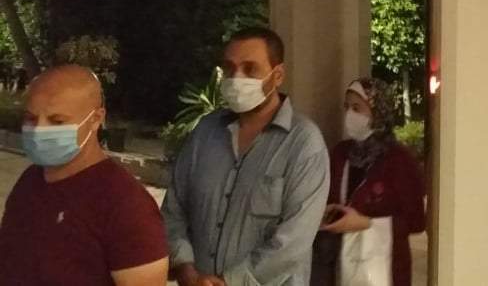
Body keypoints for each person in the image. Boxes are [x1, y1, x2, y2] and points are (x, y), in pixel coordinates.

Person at [163, 27, 330, 286]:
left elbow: (294, 240)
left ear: (278, 75)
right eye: (230, 69)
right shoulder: (205, 132)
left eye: (250, 69)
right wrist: (184, 267)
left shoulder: (304, 143)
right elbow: (174, 209)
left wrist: (230, 282)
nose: (236, 78)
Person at [0, 65, 168, 285]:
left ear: (96, 118)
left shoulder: (127, 206)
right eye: (31, 118)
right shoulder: (31, 179)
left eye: (57, 121)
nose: (39, 130)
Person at [315, 78, 425, 286]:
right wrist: (328, 214)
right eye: (347, 107)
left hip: (386, 269)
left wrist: (367, 224)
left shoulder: (399, 160)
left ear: (378, 112)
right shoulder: (340, 153)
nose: (349, 114)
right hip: (338, 264)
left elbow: (416, 221)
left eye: (357, 108)